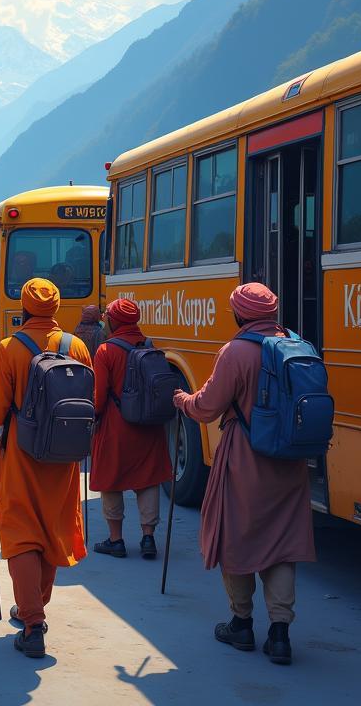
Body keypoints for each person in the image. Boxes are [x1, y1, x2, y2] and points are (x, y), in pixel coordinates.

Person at [173, 282, 315, 666]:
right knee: (283, 543)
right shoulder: (298, 345)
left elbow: (208, 407)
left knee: (235, 536)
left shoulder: (235, 351)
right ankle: (281, 634)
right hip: (289, 460)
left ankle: (241, 624)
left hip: (245, 456)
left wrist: (184, 400)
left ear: (239, 314)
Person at [0, 278, 90, 658]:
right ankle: (33, 606)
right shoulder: (78, 347)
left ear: (23, 307)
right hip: (64, 455)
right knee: (52, 527)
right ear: (56, 308)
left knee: (22, 531)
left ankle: (32, 621)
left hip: (22, 454)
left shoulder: (9, 348)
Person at [90, 297, 171, 560]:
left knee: (111, 481)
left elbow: (99, 397)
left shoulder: (105, 351)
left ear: (113, 321)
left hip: (117, 426)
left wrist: (92, 418)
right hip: (149, 427)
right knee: (148, 480)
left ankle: (116, 540)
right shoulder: (150, 346)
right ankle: (148, 538)